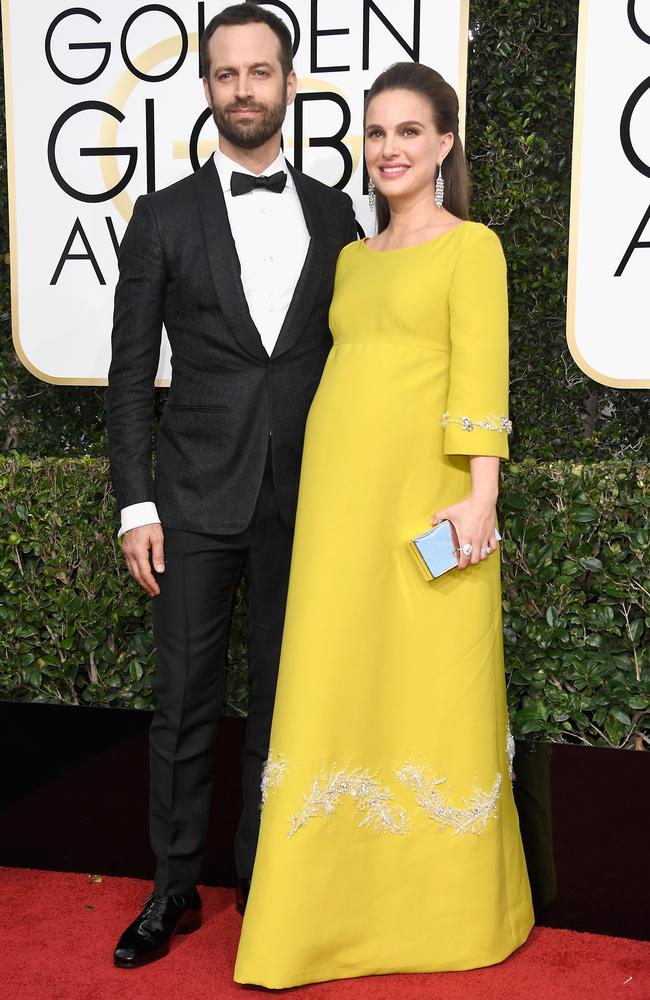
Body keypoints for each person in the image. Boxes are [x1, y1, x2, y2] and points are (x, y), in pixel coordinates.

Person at [234, 61, 534, 988]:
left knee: (433, 683)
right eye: (376, 133)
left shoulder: (472, 247)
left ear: (444, 142)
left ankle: (439, 913)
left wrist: (481, 493)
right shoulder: (352, 259)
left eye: (409, 131)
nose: (390, 148)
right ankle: (321, 912)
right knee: (333, 674)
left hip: (431, 499)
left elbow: (480, 371)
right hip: (337, 500)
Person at [106, 2, 356, 969]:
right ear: (206, 88)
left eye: (261, 72)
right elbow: (130, 377)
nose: (244, 89)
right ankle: (171, 889)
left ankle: (267, 879)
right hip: (193, 502)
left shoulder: (337, 213)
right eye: (226, 74)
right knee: (184, 704)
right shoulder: (162, 216)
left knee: (289, 700)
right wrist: (136, 503)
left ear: (289, 84)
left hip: (309, 502)